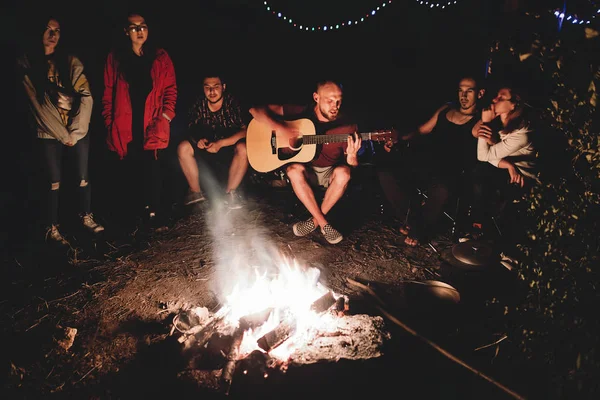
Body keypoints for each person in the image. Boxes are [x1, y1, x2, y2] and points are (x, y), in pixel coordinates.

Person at [17, 16, 103, 245]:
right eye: (47, 29)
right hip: (48, 132)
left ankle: (85, 217)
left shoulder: (70, 61)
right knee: (53, 181)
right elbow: (37, 105)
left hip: (76, 130)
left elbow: (86, 96)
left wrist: (75, 131)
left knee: (82, 176)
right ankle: (52, 228)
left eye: (57, 30)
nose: (53, 35)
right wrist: (62, 135)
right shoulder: (27, 63)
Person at [249, 79, 362, 244]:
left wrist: (352, 157)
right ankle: (323, 223)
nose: (335, 106)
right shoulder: (301, 112)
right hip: (306, 172)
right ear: (316, 97)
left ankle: (314, 222)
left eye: (338, 100)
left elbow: (352, 168)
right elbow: (255, 110)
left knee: (344, 173)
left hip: (330, 172)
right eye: (329, 100)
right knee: (293, 170)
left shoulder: (347, 125)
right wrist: (282, 129)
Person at [379, 75, 486, 247]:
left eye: (469, 91)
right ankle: (411, 218)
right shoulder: (445, 110)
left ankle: (418, 228)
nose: (463, 96)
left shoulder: (480, 122)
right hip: (427, 162)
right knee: (386, 172)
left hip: (453, 172)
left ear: (480, 94)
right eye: (461, 90)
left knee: (443, 186)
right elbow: (421, 130)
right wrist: (400, 139)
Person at [102, 11, 177, 230]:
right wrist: (109, 121)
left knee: (152, 167)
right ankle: (133, 216)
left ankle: (154, 212)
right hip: (125, 123)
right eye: (133, 27)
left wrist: (165, 116)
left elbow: (171, 89)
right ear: (126, 31)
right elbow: (107, 92)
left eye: (142, 26)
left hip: (152, 122)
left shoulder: (160, 56)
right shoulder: (115, 58)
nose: (139, 31)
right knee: (129, 168)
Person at [470, 84, 538, 236]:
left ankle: (483, 229)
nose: (495, 99)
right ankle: (477, 224)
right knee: (478, 171)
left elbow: (484, 156)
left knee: (481, 173)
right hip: (508, 167)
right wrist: (508, 165)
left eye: (501, 98)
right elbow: (475, 132)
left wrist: (486, 123)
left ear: (513, 105)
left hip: (521, 176)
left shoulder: (521, 134)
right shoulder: (500, 121)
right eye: (496, 95)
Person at [177, 74, 250, 209]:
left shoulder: (233, 103)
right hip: (208, 146)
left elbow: (246, 130)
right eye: (207, 88)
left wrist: (222, 143)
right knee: (183, 147)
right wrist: (198, 140)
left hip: (228, 146)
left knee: (244, 148)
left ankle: (230, 194)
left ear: (223, 87)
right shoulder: (198, 104)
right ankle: (195, 192)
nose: (212, 92)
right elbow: (191, 129)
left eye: (216, 87)